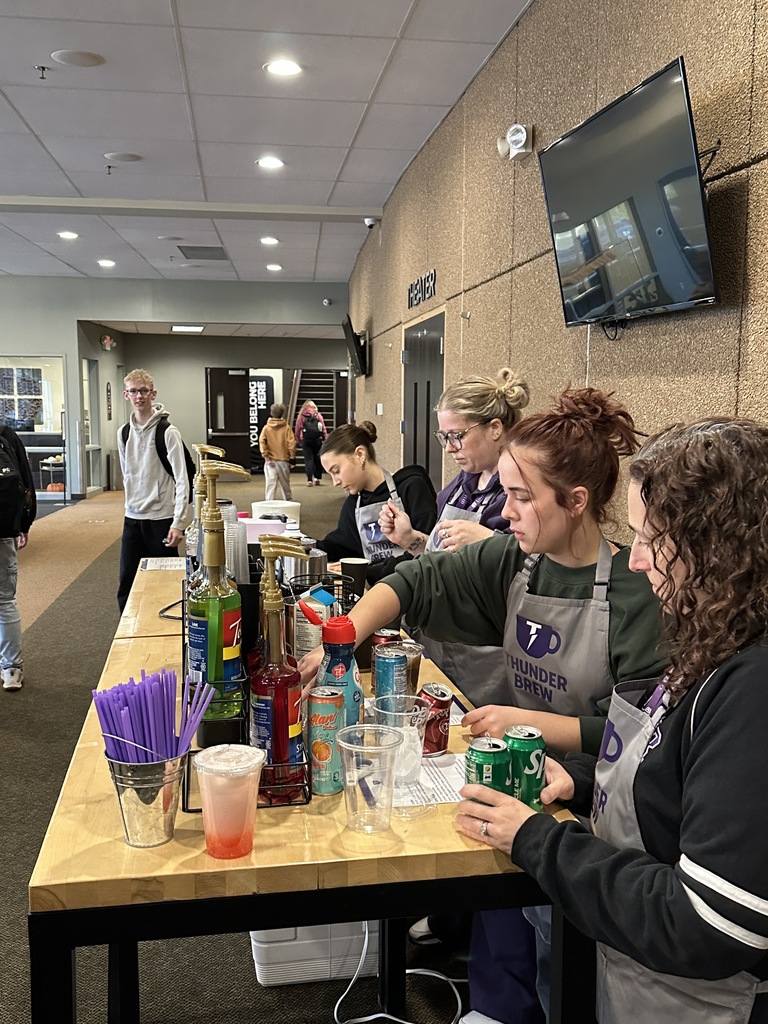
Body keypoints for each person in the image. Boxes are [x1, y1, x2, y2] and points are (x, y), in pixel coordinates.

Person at [300, 388, 667, 1024]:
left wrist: (529, 722)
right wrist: (342, 639)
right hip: (523, 771)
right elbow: (415, 580)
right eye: (505, 493)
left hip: (598, 796)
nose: (508, 512)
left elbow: (637, 735)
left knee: (564, 949)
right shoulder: (514, 562)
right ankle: (497, 1004)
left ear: (577, 502)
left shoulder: (636, 595)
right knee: (503, 897)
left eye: (523, 498)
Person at [457, 416, 768, 1024]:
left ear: (718, 545)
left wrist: (538, 840)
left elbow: (709, 924)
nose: (637, 560)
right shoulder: (711, 634)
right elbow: (669, 773)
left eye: (653, 538)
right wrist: (580, 776)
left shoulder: (752, 685)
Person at [378, 367, 530, 705]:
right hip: (440, 635)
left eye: (457, 435)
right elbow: (440, 562)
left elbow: (543, 568)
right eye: (443, 436)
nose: (449, 447)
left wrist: (493, 542)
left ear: (495, 428)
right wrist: (411, 540)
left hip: (486, 649)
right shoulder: (460, 485)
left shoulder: (521, 491)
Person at [315, 421, 437, 586]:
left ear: (360, 454)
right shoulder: (354, 503)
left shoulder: (412, 487)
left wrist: (366, 572)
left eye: (336, 471)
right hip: (381, 589)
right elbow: (342, 544)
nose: (335, 482)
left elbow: (427, 553)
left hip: (417, 587)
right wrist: (304, 547)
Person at [117, 369, 191, 612]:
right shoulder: (123, 433)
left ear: (153, 393)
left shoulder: (168, 432)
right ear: (126, 395)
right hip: (133, 518)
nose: (139, 396)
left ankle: (171, 635)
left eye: (144, 391)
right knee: (127, 584)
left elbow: (182, 479)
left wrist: (178, 522)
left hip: (161, 519)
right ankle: (129, 635)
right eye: (134, 391)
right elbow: (127, 474)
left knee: (167, 584)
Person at [0, 424, 36, 691]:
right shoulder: (6, 434)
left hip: (3, 531)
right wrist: (23, 523)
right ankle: (11, 667)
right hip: (3, 529)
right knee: (4, 600)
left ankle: (11, 665)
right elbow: (25, 479)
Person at [259, 402, 296, 501]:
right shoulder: (286, 428)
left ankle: (268, 505)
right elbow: (291, 443)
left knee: (270, 486)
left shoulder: (266, 428)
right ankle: (288, 504)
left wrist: (265, 455)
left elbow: (262, 442)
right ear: (282, 413)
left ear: (271, 413)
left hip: (270, 461)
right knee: (285, 486)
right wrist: (292, 457)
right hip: (283, 460)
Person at [294, 400, 328, 486]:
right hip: (317, 440)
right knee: (317, 459)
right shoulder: (318, 415)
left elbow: (297, 430)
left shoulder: (301, 416)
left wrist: (299, 440)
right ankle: (317, 478)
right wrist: (325, 438)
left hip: (306, 440)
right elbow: (323, 428)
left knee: (308, 459)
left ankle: (309, 480)